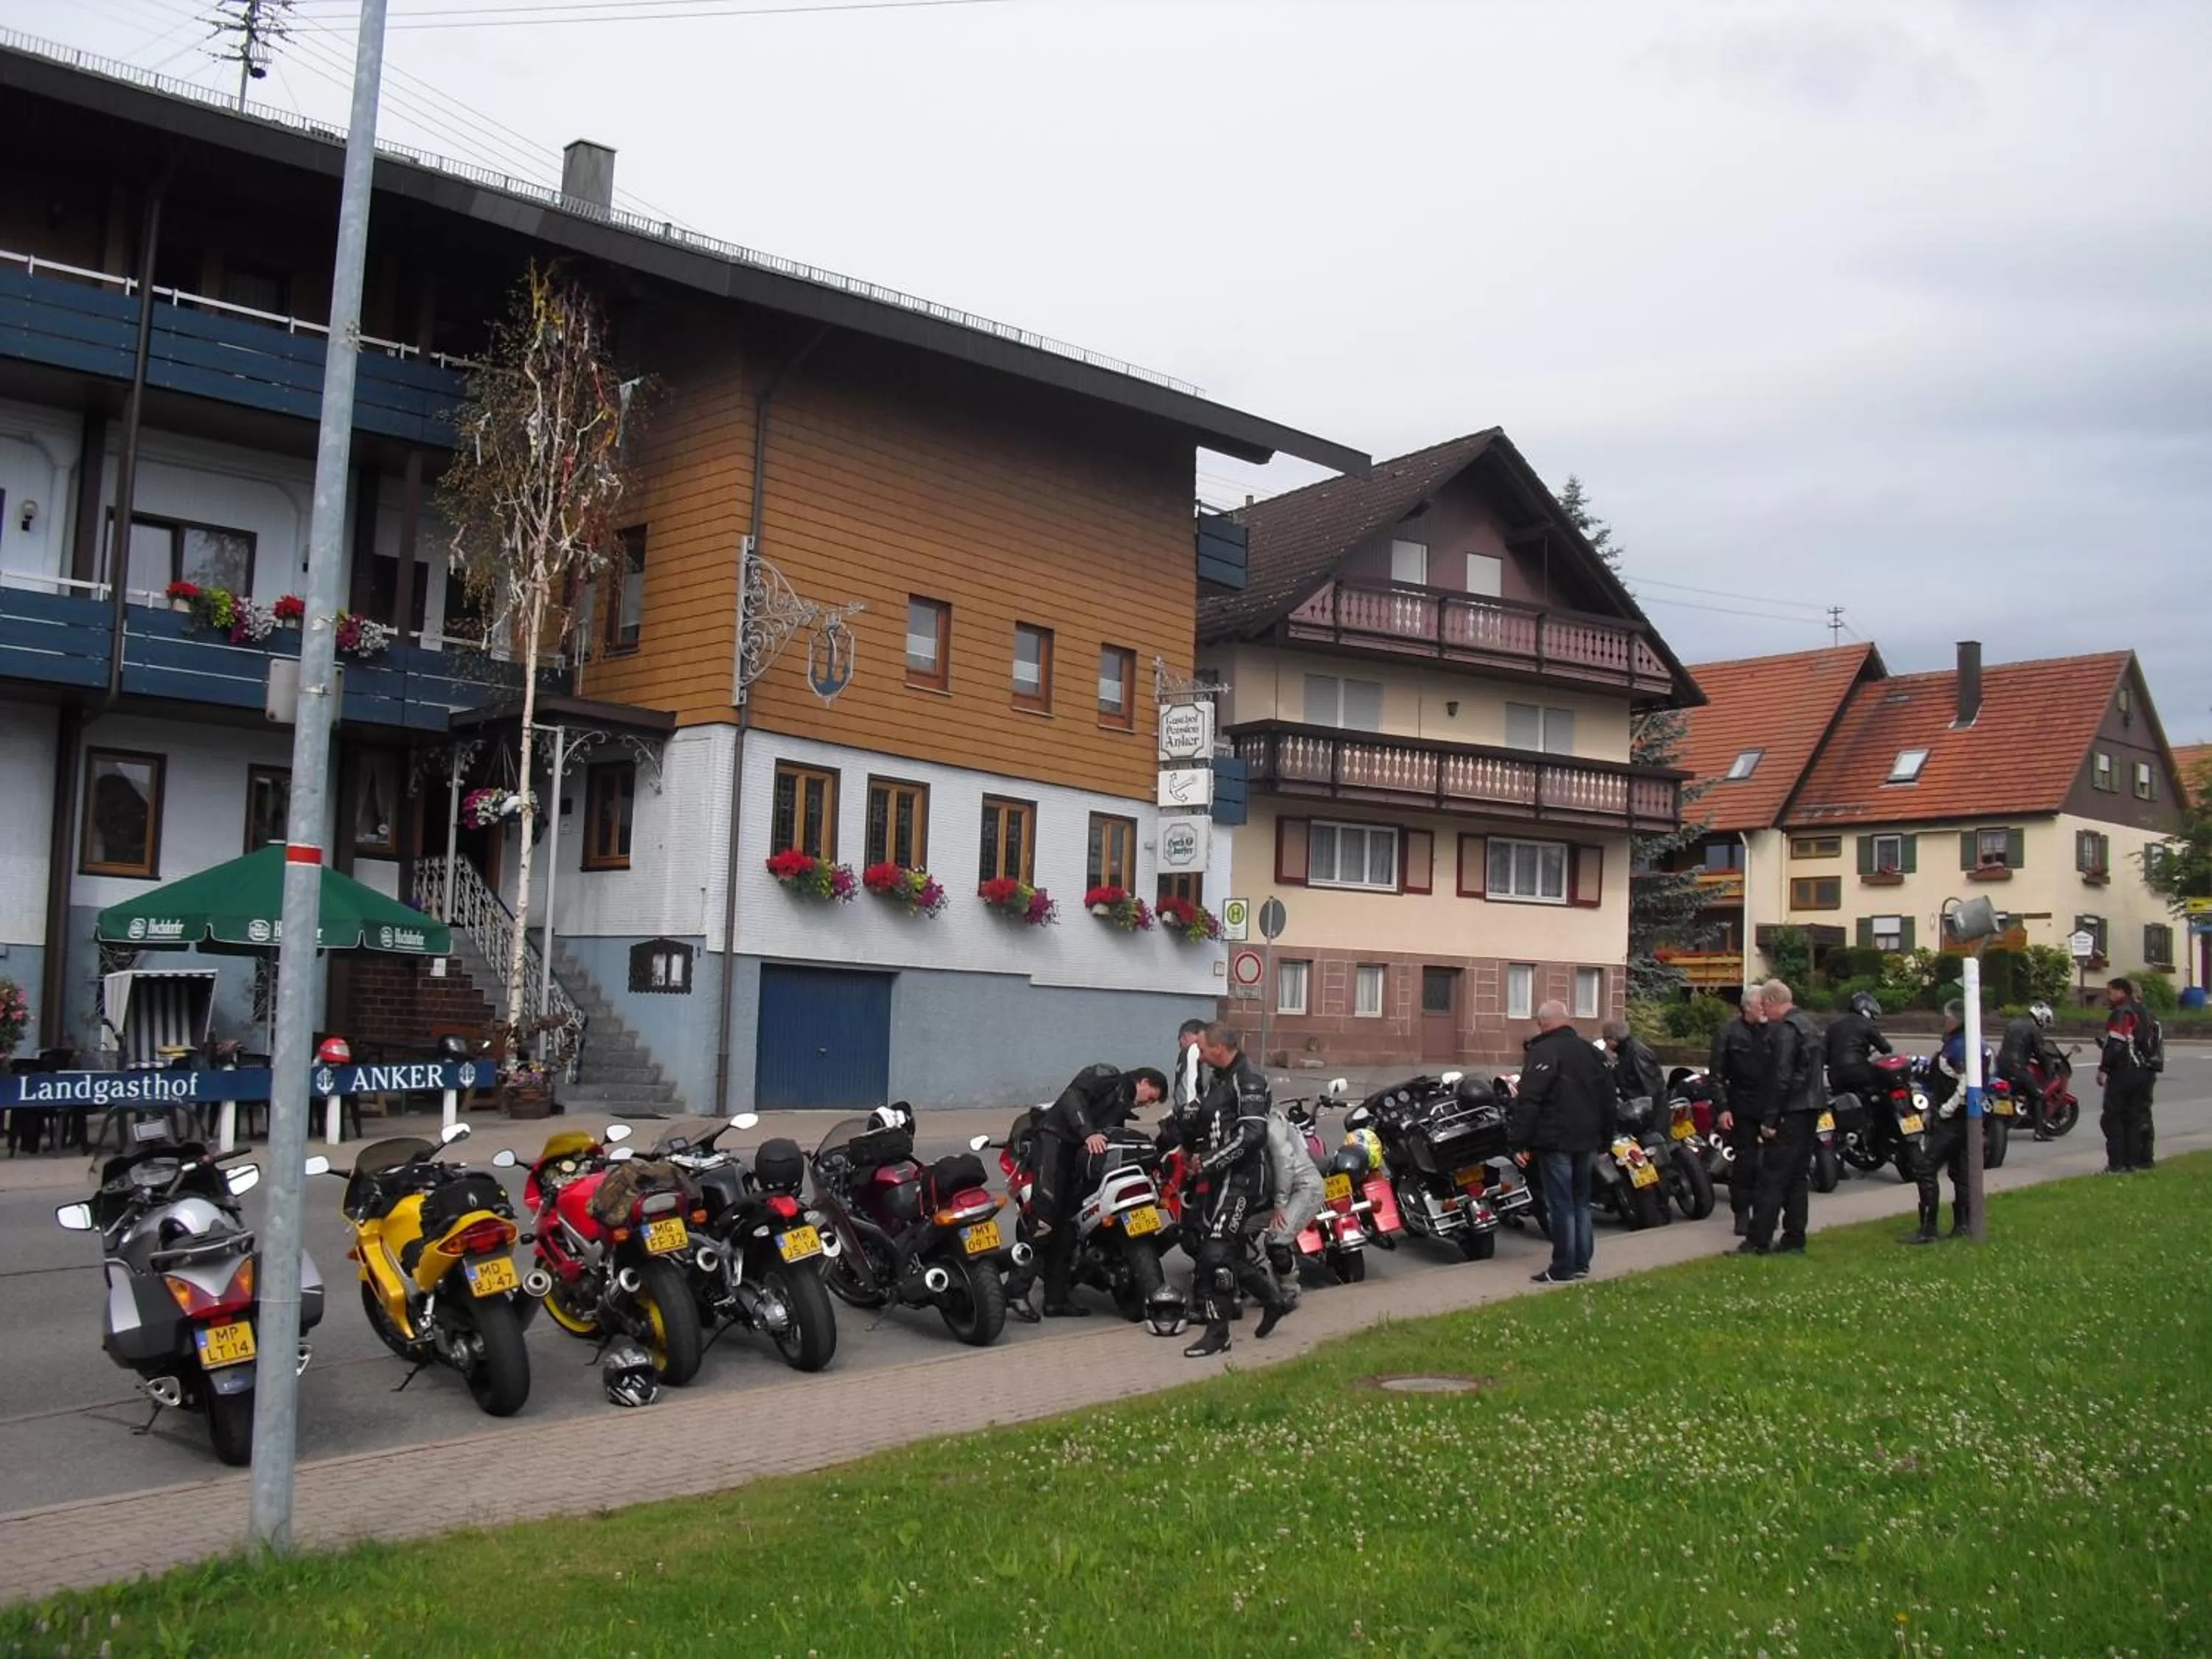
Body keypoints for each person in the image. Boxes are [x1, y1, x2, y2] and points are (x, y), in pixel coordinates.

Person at [1005, 1063, 1168, 1322]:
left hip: (1076, 1160)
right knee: (1044, 1221)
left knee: (1068, 1228)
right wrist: (1088, 1132)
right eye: (1151, 1098)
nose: (1147, 1105)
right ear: (1144, 1081)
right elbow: (1073, 1096)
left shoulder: (1122, 1109)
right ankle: (1015, 1291)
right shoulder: (1107, 1076)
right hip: (1054, 1144)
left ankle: (1056, 1301)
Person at [1179, 1023, 1291, 1358]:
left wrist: (1210, 1161)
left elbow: (1253, 1134)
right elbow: (1205, 1119)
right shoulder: (1219, 1077)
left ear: (1217, 1048)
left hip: (1242, 1180)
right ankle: (1274, 1300)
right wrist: (1190, 1145)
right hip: (1218, 1178)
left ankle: (1218, 1334)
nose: (1196, 1054)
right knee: (1222, 1251)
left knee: (1215, 1255)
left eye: (1200, 1047)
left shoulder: (1249, 1078)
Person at [1506, 1000, 1612, 1284]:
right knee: (1580, 1202)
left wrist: (1518, 1141)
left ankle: (1563, 1266)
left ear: (1542, 1023)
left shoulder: (1543, 1052)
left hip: (1556, 1140)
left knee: (1561, 1204)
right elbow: (1608, 1098)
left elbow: (1530, 1100)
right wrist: (1607, 1139)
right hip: (1587, 1139)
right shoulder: (1591, 1051)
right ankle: (1581, 1263)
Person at [1739, 978, 1822, 1256]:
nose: (1765, 1012)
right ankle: (1795, 1237)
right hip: (1810, 1110)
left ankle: (1757, 1240)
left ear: (1774, 1001)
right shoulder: (1809, 1026)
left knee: (1771, 1177)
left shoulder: (1786, 1031)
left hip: (1790, 1111)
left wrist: (1770, 1120)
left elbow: (1782, 1078)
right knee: (1797, 1177)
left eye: (1765, 1005)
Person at [1903, 1001, 1972, 1244]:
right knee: (1961, 1172)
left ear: (1956, 1021)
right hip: (1967, 1121)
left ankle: (1928, 1228)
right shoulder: (1975, 1044)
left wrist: (1945, 1110)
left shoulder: (1957, 1048)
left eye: (1947, 1018)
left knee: (1925, 1168)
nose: (1945, 1022)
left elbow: (1965, 1084)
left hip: (1953, 1120)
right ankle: (1963, 1224)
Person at [1707, 990, 1771, 1237]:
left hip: (1768, 1107)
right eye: (1760, 1004)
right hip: (1741, 1107)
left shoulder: (1772, 1031)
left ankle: (1765, 1214)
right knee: (1745, 1164)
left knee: (1770, 1164)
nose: (1764, 1007)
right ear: (1747, 1007)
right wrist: (1722, 1108)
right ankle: (1742, 1215)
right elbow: (1717, 1075)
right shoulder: (1728, 1032)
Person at [2096, 977, 2158, 1173]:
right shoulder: (2145, 1012)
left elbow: (2117, 1043)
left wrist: (2104, 1069)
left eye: (2110, 992)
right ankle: (2132, 1162)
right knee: (2133, 1118)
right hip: (2142, 1071)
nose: (2108, 997)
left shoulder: (2122, 1013)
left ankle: (2116, 1164)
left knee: (2113, 1118)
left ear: (2121, 992)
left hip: (2124, 1071)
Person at [1995, 1001, 2065, 1141]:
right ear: (2041, 1017)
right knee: (2038, 1095)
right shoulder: (2034, 1029)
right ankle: (2039, 1132)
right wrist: (2049, 1069)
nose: (2045, 1024)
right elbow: (2040, 1053)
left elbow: (2017, 1045)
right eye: (2046, 1020)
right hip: (2017, 1068)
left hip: (2002, 1066)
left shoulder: (2013, 1023)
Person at [1823, 990, 1893, 1109]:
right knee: (1882, 1091)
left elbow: (1823, 1053)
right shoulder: (1865, 1023)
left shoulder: (1833, 1025)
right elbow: (1885, 1047)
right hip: (1859, 1071)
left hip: (1836, 1075)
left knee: (1841, 1104)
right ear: (1864, 1008)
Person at [1602, 1020, 1666, 1106]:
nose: (1605, 1043)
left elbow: (1650, 1087)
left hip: (1643, 1109)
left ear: (1613, 1038)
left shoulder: (1636, 1054)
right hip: (1638, 1105)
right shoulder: (1626, 1052)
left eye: (1606, 1039)